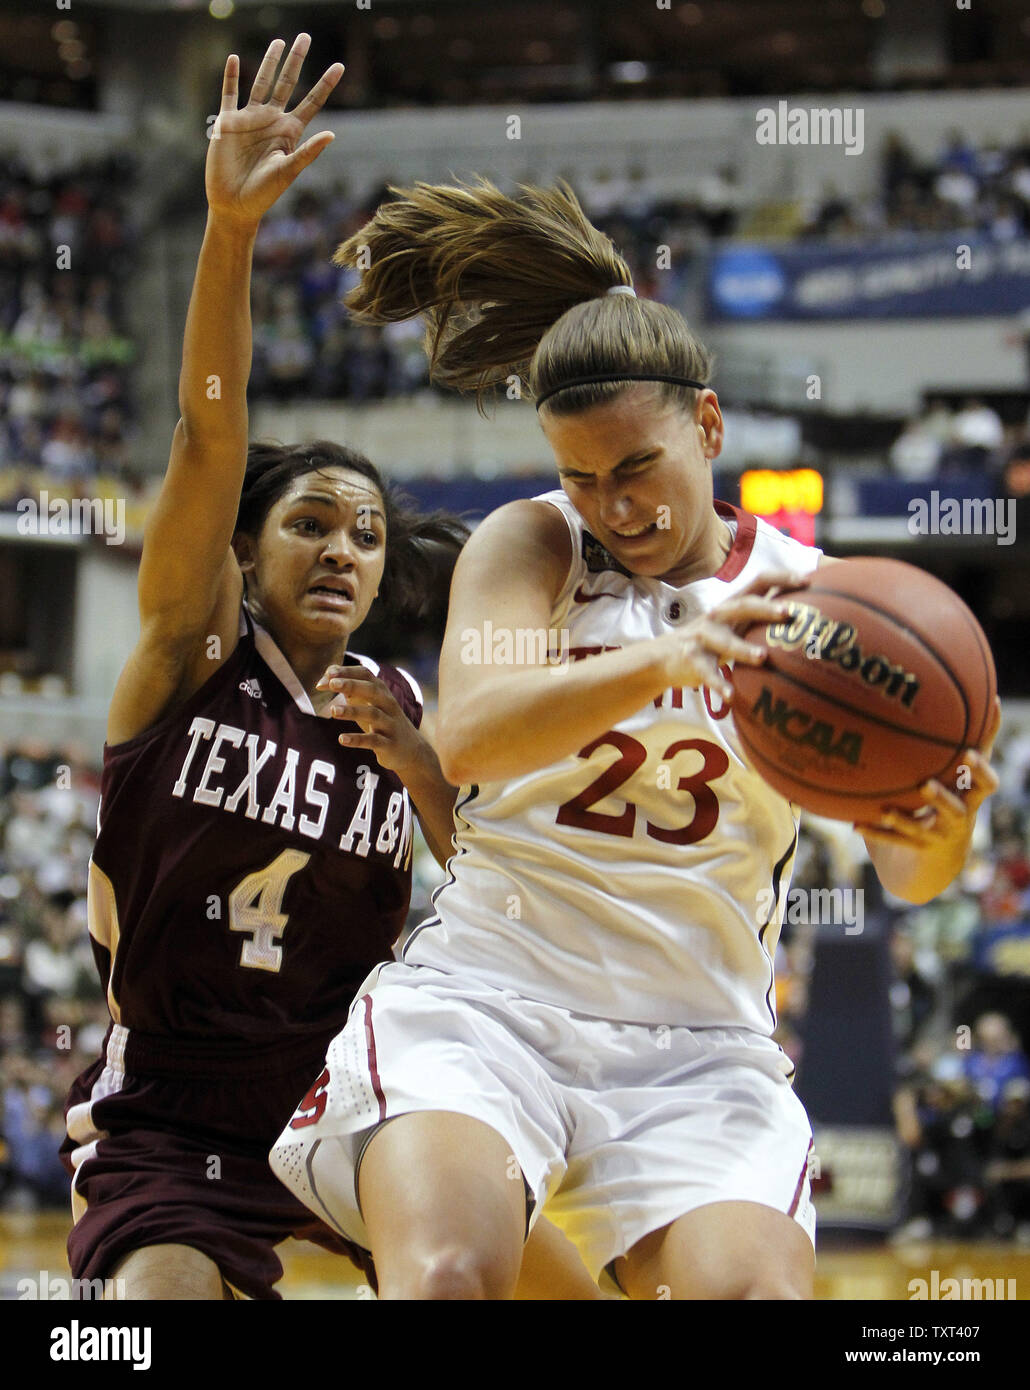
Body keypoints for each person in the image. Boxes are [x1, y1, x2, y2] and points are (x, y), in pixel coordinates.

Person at [271, 175, 1002, 1300]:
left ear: (706, 425)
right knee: (448, 1276)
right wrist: (671, 654)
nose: (613, 505)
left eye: (637, 468)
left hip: (696, 1040)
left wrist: (939, 823)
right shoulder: (532, 547)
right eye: (583, 476)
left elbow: (913, 873)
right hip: (488, 1001)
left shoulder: (819, 605)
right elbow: (465, 735)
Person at [60, 41, 600, 1302]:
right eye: (309, 522)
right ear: (243, 549)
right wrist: (230, 232)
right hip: (175, 1122)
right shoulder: (186, 659)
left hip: (351, 1093)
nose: (344, 550)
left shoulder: (408, 708)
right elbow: (207, 431)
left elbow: (493, 897)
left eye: (365, 532)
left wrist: (425, 780)